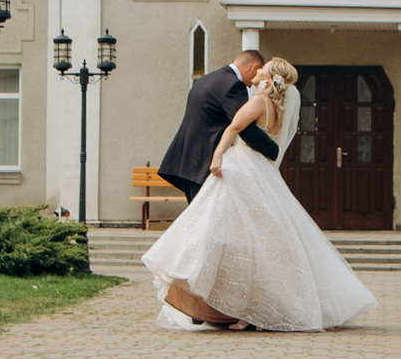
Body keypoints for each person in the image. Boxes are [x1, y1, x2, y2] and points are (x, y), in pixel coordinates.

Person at [144, 57, 376, 332]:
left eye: (264, 68)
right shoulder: (276, 106)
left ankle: (215, 301)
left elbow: (234, 127)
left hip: (240, 166)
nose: (258, 69)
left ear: (268, 77)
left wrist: (218, 156)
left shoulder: (257, 101)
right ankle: (238, 309)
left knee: (210, 229)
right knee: (252, 238)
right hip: (258, 169)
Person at [158, 49, 278, 203]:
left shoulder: (208, 78)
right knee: (204, 223)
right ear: (254, 68)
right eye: (257, 73)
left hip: (187, 161)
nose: (250, 86)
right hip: (205, 163)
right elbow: (244, 128)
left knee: (198, 221)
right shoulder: (234, 86)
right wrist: (274, 150)